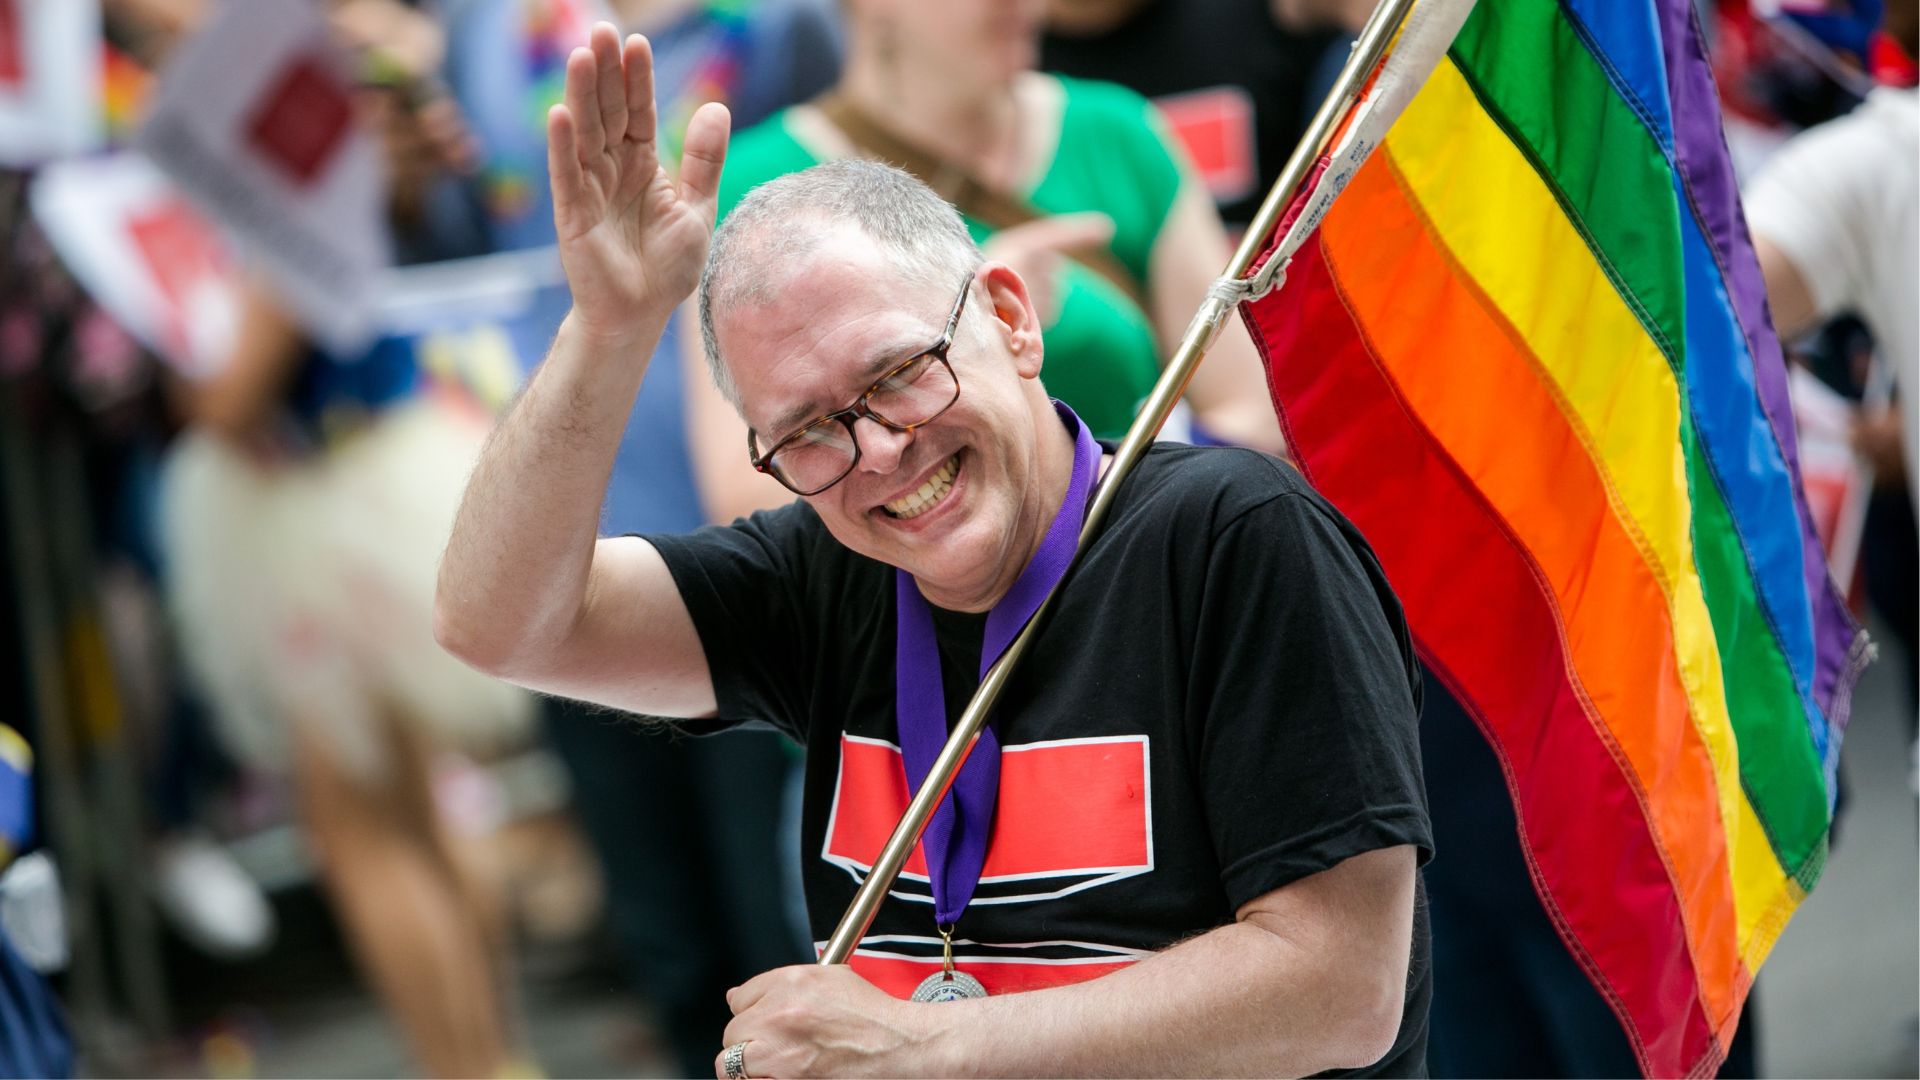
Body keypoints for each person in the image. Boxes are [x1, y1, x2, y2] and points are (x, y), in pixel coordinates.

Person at [438, 27, 1430, 1076]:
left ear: (1010, 318)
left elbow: (1341, 987)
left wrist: (933, 1047)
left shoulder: (1235, 538)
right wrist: (608, 330)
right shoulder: (826, 571)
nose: (877, 452)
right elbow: (498, 626)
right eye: (808, 431)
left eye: (899, 373)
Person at [158, 15, 533, 1075]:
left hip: (321, 499)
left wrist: (172, 367)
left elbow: (231, 392)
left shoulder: (277, 96)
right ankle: (493, 1059)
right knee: (418, 803)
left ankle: (467, 1066)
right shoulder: (337, 77)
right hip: (372, 472)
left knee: (363, 825)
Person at [681, 0, 1287, 523]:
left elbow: (1258, 411)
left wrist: (1102, 495)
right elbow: (742, 498)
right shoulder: (752, 190)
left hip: (1144, 550)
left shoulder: (1117, 133)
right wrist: (958, 326)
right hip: (907, 593)